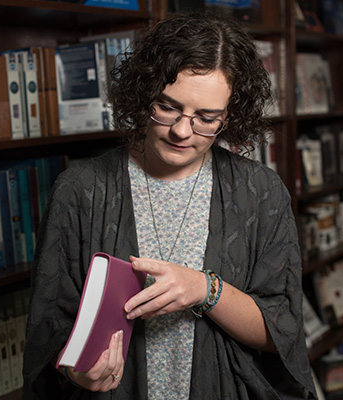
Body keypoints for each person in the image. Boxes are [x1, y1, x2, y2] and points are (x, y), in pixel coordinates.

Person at [23, 10, 316, 400]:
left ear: (229, 116)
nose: (181, 130)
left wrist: (205, 290)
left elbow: (279, 332)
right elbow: (49, 333)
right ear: (145, 93)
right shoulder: (81, 190)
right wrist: (78, 373)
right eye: (168, 106)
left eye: (206, 118)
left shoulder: (261, 192)